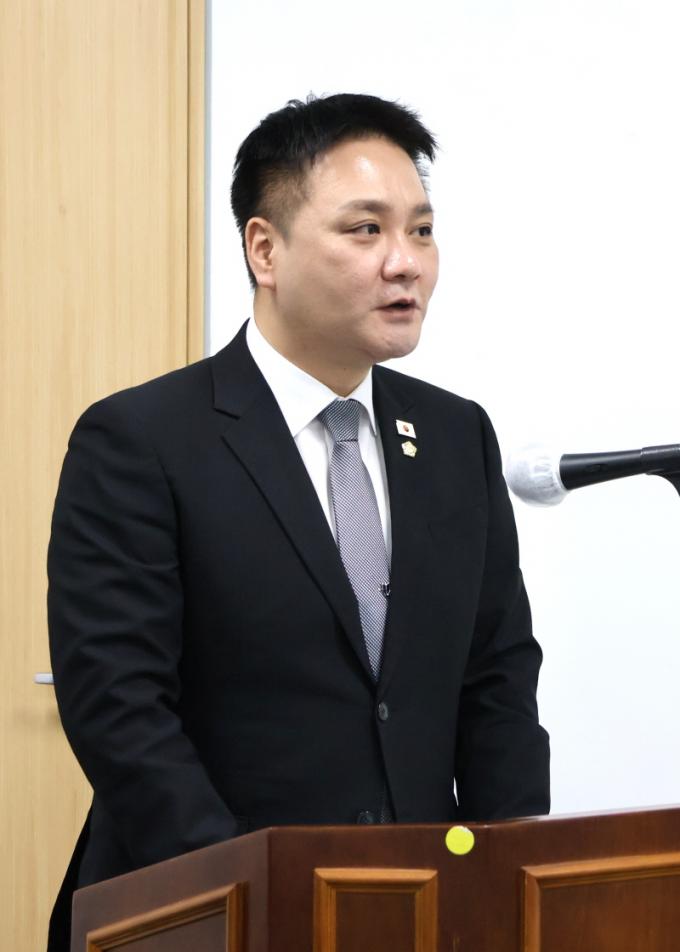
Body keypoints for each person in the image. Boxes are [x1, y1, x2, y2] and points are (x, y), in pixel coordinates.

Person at [47, 93, 550, 950]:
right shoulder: (143, 439)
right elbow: (119, 708)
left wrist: (505, 880)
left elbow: (497, 678)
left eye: (422, 231)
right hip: (204, 914)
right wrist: (246, 898)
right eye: (366, 229)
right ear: (265, 249)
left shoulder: (455, 434)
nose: (406, 263)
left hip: (417, 912)